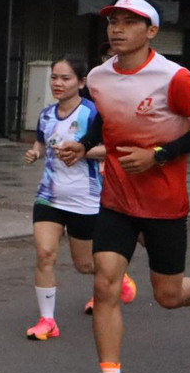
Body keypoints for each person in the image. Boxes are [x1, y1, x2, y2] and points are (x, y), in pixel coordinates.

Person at [57, 0, 190, 373]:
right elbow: (105, 116)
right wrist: (85, 143)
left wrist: (160, 155)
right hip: (116, 198)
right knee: (105, 285)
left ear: (152, 31)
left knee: (169, 295)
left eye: (129, 23)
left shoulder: (174, 78)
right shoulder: (98, 76)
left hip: (165, 203)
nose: (117, 29)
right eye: (113, 21)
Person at [22, 57, 137, 339]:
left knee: (85, 264)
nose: (58, 84)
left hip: (85, 198)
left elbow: (113, 148)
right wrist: (36, 152)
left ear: (82, 82)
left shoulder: (93, 113)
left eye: (65, 78)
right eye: (54, 78)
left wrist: (82, 151)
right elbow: (41, 141)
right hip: (49, 196)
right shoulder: (47, 114)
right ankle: (47, 321)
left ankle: (117, 278)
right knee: (45, 255)